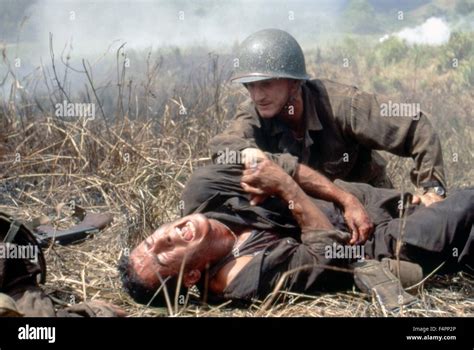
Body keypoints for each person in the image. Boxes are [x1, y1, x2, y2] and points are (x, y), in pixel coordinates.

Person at [119, 161, 472, 309]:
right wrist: (287, 189)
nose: (168, 236)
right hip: (384, 244)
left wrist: (345, 198)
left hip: (368, 201)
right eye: (163, 255)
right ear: (192, 275)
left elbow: (278, 164)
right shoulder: (241, 280)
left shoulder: (204, 191)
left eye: (153, 238)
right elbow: (330, 251)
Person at [210, 28, 447, 244]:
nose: (257, 95)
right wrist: (250, 155)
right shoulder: (255, 112)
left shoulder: (343, 104)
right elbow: (224, 146)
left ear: (294, 84)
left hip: (373, 204)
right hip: (314, 212)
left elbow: (416, 125)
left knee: (423, 239)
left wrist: (433, 190)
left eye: (267, 84)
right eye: (250, 86)